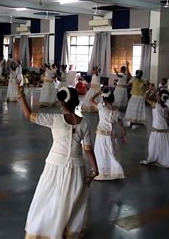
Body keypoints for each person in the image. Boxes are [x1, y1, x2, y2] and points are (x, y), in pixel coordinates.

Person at [18, 84, 99, 238]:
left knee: (50, 197)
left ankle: (49, 229)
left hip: (55, 165)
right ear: (76, 102)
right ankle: (67, 230)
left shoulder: (54, 119)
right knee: (72, 199)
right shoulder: (85, 124)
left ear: (61, 102)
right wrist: (95, 169)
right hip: (77, 167)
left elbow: (29, 115)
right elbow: (88, 150)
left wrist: (21, 95)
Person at [89, 88, 126, 180]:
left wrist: (97, 93)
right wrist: (125, 135)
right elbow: (121, 125)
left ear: (103, 99)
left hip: (101, 136)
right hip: (111, 136)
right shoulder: (117, 112)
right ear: (113, 99)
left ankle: (101, 171)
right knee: (111, 153)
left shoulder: (101, 107)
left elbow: (90, 100)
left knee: (100, 153)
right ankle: (113, 171)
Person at [140, 90, 169, 169]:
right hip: (164, 129)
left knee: (155, 144)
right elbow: (168, 118)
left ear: (159, 97)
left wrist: (149, 91)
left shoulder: (155, 105)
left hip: (157, 129)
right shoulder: (166, 107)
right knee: (164, 145)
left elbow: (144, 97)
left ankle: (156, 158)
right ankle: (164, 158)